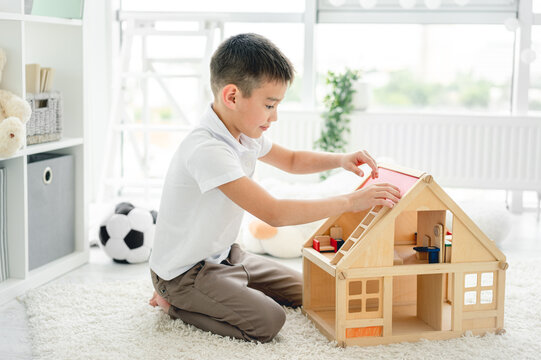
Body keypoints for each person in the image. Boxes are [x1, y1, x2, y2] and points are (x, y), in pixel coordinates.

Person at [148, 33, 401, 343]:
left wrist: (340, 159)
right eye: (269, 105)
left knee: (311, 291)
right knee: (269, 321)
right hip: (185, 275)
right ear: (232, 96)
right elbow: (274, 213)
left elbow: (293, 160)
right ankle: (173, 304)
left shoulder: (244, 133)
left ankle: (223, 290)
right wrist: (351, 201)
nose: (275, 116)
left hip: (226, 257)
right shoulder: (207, 149)